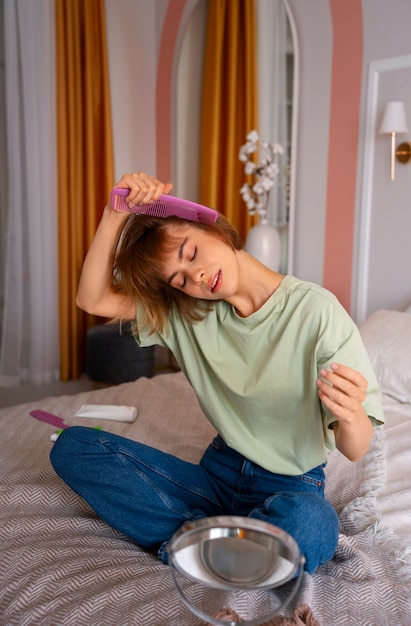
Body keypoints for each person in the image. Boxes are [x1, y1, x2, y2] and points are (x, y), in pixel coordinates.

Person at [50, 171, 384, 576]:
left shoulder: (317, 313)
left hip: (291, 485)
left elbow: (356, 447)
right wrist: (114, 214)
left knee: (313, 524)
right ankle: (230, 548)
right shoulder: (185, 312)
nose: (197, 277)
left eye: (191, 254)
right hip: (216, 477)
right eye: (181, 279)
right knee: (73, 447)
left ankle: (195, 542)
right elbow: (92, 298)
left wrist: (350, 414)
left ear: (216, 229)